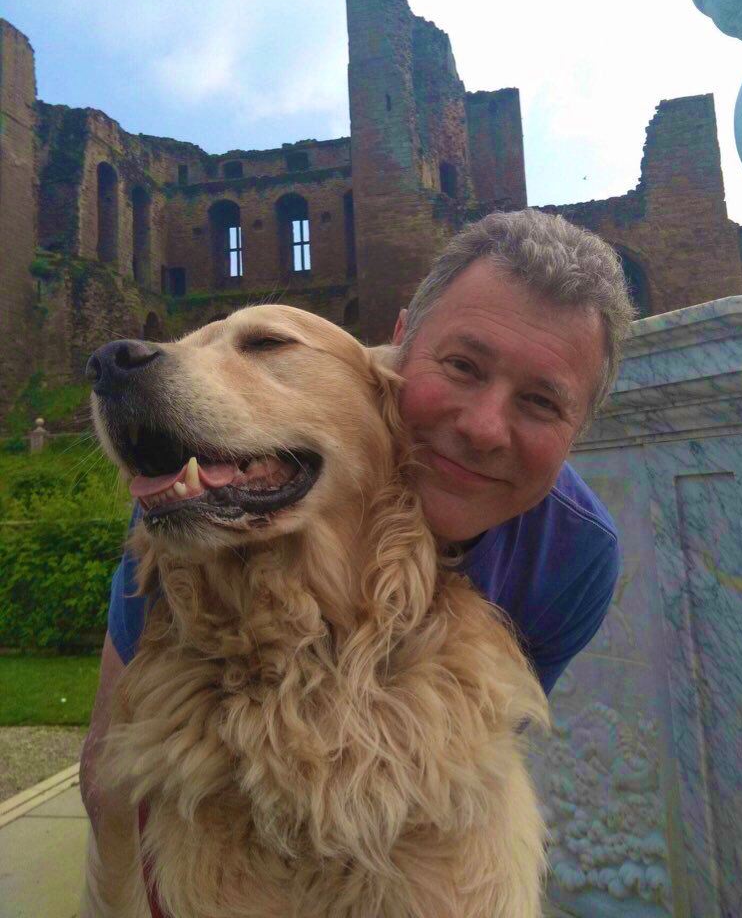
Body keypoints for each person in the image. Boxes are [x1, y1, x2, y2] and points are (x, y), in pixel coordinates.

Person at [79, 208, 635, 834]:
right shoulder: (197, 489)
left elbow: (479, 765)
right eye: (461, 366)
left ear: (579, 430)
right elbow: (109, 771)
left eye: (541, 402)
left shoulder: (574, 556)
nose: (482, 428)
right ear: (400, 345)